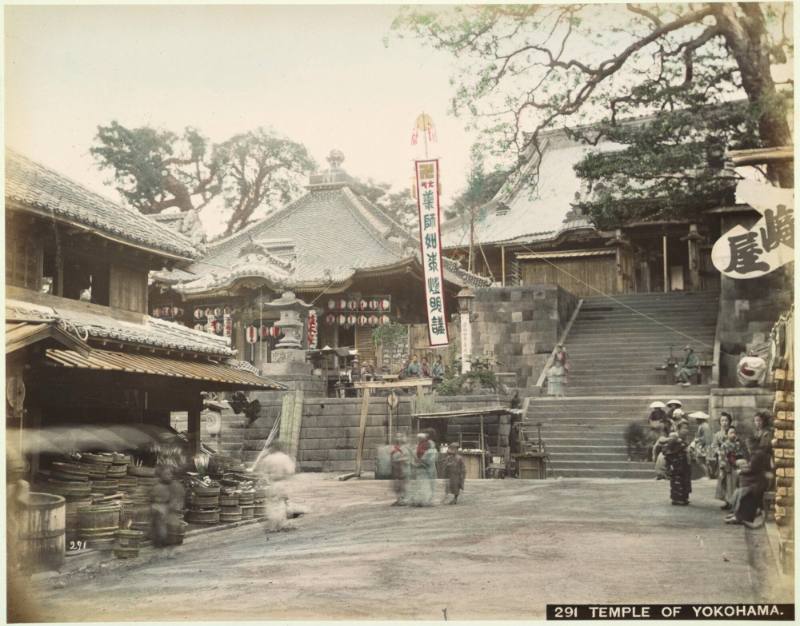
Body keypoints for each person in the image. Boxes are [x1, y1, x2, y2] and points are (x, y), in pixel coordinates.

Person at [725, 437, 771, 528]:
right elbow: (753, 467)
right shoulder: (757, 453)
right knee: (742, 489)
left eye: (749, 445)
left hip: (759, 482)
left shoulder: (758, 454)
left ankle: (741, 517)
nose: (748, 447)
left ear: (754, 445)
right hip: (759, 479)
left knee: (746, 492)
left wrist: (741, 471)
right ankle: (738, 514)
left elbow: (753, 469)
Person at [717, 426, 746, 510]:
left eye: (734, 433)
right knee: (726, 485)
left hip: (735, 466)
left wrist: (738, 460)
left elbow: (740, 454)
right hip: (727, 467)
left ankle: (733, 502)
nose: (733, 435)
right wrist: (722, 468)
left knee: (734, 485)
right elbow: (722, 456)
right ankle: (727, 502)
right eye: (731, 433)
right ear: (727, 435)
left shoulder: (737, 444)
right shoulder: (724, 445)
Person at [662, 432, 691, 505]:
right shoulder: (674, 446)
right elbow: (667, 455)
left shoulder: (679, 445)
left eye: (672, 437)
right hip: (677, 467)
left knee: (682, 483)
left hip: (681, 467)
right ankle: (678, 499)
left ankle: (683, 498)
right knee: (677, 483)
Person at [409, 432, 437, 506]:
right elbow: (415, 455)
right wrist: (416, 461)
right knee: (420, 484)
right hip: (420, 468)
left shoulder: (429, 445)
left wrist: (422, 461)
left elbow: (431, 457)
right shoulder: (418, 445)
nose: (419, 439)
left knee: (425, 484)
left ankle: (425, 501)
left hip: (426, 468)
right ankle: (419, 500)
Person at [709, 411, 733, 482]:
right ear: (720, 422)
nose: (724, 423)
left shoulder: (732, 432)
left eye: (726, 420)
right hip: (721, 458)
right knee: (722, 478)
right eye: (722, 421)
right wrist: (719, 452)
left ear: (729, 422)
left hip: (731, 457)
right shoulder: (717, 435)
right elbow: (714, 446)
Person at [389, 433, 411, 506]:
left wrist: (399, 460)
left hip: (403, 468)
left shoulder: (405, 447)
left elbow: (408, 458)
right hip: (396, 468)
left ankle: (404, 500)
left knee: (403, 484)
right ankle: (398, 499)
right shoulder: (394, 447)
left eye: (399, 437)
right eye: (396, 436)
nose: (397, 438)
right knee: (397, 485)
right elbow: (392, 456)